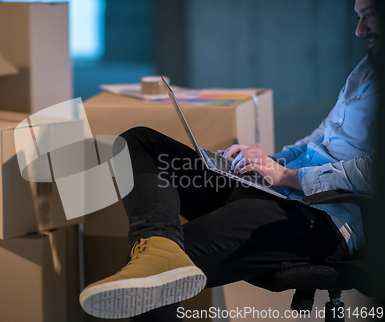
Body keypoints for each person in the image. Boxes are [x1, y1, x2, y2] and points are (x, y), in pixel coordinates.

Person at [79, 0, 380, 320]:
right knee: (139, 142)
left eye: (370, 14)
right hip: (283, 188)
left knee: (154, 279)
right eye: (358, 17)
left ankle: (160, 260)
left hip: (323, 215)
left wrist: (287, 177)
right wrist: (267, 163)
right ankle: (156, 243)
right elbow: (319, 139)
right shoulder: (366, 68)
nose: (359, 30)